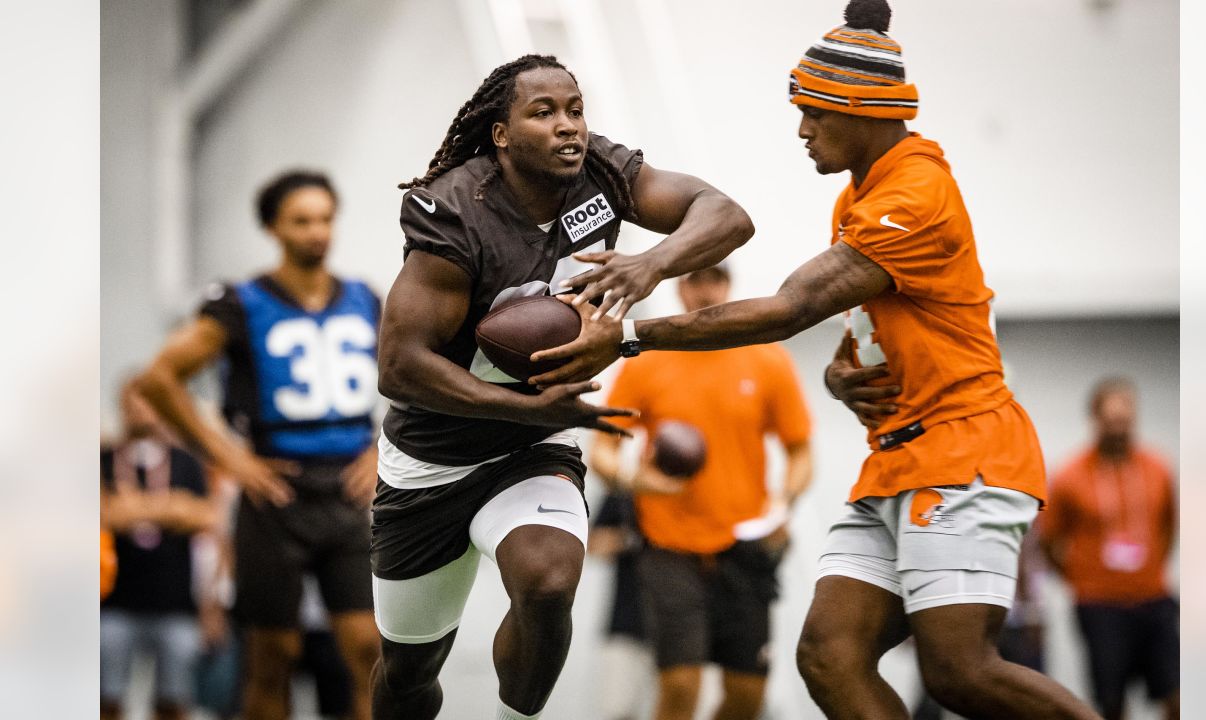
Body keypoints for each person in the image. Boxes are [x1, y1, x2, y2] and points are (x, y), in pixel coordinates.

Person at [529, 2, 1102, 718]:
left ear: (860, 109)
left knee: (958, 671)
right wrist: (837, 375)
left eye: (813, 114)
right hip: (895, 461)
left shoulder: (915, 196)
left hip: (964, 453)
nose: (801, 131)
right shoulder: (859, 197)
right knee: (829, 656)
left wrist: (632, 333)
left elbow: (789, 309)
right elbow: (855, 329)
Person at [371, 53, 753, 720]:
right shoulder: (455, 209)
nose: (568, 126)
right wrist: (522, 404)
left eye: (575, 110)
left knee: (549, 584)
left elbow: (726, 215)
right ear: (502, 133)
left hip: (534, 447)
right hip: (431, 457)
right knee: (408, 671)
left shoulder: (601, 172)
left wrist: (650, 263)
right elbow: (399, 367)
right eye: (543, 112)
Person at [137, 170, 382, 720]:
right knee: (274, 654)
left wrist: (379, 450)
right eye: (301, 220)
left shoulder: (365, 298)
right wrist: (229, 457)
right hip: (276, 492)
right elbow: (159, 379)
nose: (317, 232)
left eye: (325, 218)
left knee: (368, 648)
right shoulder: (241, 303)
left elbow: (413, 378)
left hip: (348, 490)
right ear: (273, 228)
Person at [588, 264, 813, 720]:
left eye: (716, 279)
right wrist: (636, 480)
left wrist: (783, 505)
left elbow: (800, 451)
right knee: (681, 684)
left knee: (747, 695)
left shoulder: (766, 359)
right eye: (696, 280)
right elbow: (603, 451)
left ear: (729, 285)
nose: (707, 290)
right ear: (680, 287)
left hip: (744, 543)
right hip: (668, 544)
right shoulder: (647, 361)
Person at [1036, 378, 1179, 720]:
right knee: (1110, 700)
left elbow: (1168, 527)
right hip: (1099, 604)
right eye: (1111, 420)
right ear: (1095, 420)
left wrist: (1152, 568)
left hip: (1153, 599)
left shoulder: (1157, 468)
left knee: (1175, 693)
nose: (1119, 428)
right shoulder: (1071, 474)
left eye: (1125, 420)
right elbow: (1048, 539)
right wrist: (1079, 579)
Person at [100, 378, 223, 720]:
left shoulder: (185, 462)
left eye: (148, 401)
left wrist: (134, 508)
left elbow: (206, 516)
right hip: (112, 602)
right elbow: (102, 512)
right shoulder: (104, 458)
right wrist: (173, 508)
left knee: (173, 700)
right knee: (105, 698)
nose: (140, 410)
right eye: (132, 401)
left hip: (176, 603)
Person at [586, 491, 653, 720]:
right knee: (620, 710)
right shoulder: (625, 489)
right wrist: (635, 537)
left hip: (687, 628)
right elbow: (592, 544)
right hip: (627, 623)